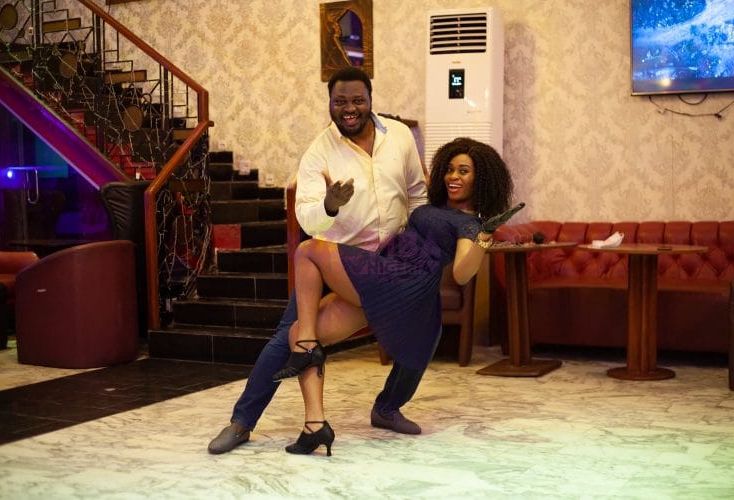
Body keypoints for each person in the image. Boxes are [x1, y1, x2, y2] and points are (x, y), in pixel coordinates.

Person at [208, 67, 428, 454]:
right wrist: (329, 205)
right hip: (335, 261)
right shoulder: (318, 153)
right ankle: (242, 422)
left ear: (370, 100)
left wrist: (420, 247)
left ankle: (387, 408)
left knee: (422, 329)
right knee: (287, 336)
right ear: (329, 103)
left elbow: (417, 194)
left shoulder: (399, 137)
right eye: (340, 101)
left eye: (357, 100)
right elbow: (308, 220)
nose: (349, 109)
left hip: (389, 260)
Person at [273, 137, 515, 456]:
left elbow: (461, 274)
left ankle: (307, 349)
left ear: (480, 179)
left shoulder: (471, 224)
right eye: (450, 169)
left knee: (308, 251)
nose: (453, 176)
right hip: (385, 275)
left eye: (464, 171)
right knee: (299, 332)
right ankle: (314, 426)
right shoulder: (434, 207)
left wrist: (485, 236)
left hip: (404, 282)